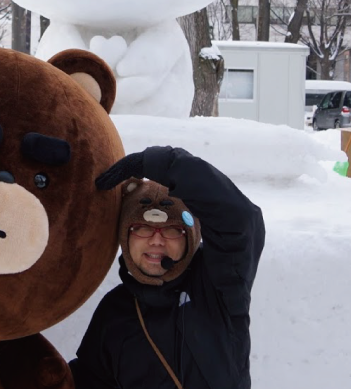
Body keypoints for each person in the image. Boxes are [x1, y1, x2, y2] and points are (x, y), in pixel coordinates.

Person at [69, 146, 265, 389]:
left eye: (172, 230)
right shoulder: (114, 310)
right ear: (125, 237)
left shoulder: (218, 286)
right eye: (142, 227)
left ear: (190, 238)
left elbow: (240, 221)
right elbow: (91, 379)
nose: (156, 240)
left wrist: (161, 164)